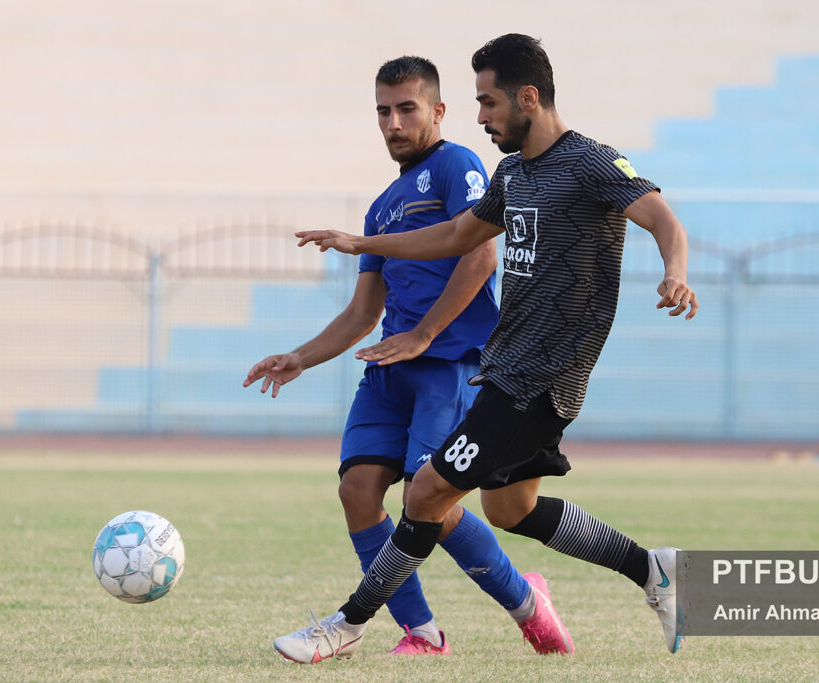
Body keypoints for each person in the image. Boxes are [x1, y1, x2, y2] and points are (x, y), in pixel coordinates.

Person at [273, 34, 699, 663]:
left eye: (489, 101)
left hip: (541, 379)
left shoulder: (590, 163)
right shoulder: (513, 173)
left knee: (425, 494)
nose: (480, 116)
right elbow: (453, 235)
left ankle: (348, 623)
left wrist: (675, 271)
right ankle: (653, 570)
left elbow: (663, 218)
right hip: (507, 370)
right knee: (510, 509)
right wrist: (364, 245)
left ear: (529, 97)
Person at [244, 55, 573, 660]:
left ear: (438, 111)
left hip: (450, 366)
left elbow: (480, 258)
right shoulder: (380, 208)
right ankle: (422, 634)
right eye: (382, 112)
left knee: (430, 497)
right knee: (357, 490)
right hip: (389, 368)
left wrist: (423, 336)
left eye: (406, 109)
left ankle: (527, 604)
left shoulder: (458, 166)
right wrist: (299, 357)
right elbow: (361, 315)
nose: (393, 123)